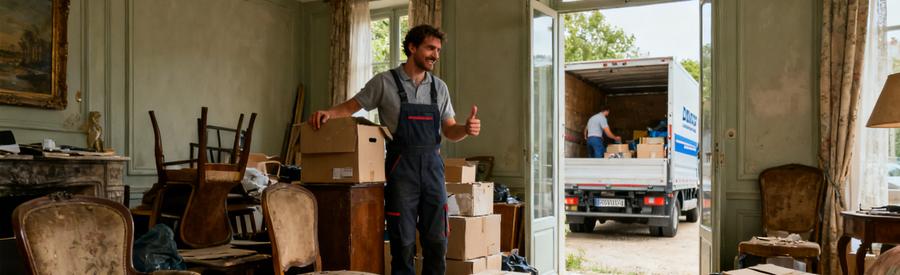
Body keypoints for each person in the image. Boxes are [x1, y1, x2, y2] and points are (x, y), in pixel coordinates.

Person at [308, 24, 480, 275]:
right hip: (401, 170)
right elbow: (352, 106)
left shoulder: (439, 88)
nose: (436, 55)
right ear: (412, 47)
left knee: (437, 241)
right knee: (403, 242)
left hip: (433, 171)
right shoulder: (384, 82)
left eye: (439, 50)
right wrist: (328, 113)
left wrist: (465, 128)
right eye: (431, 48)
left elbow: (450, 130)